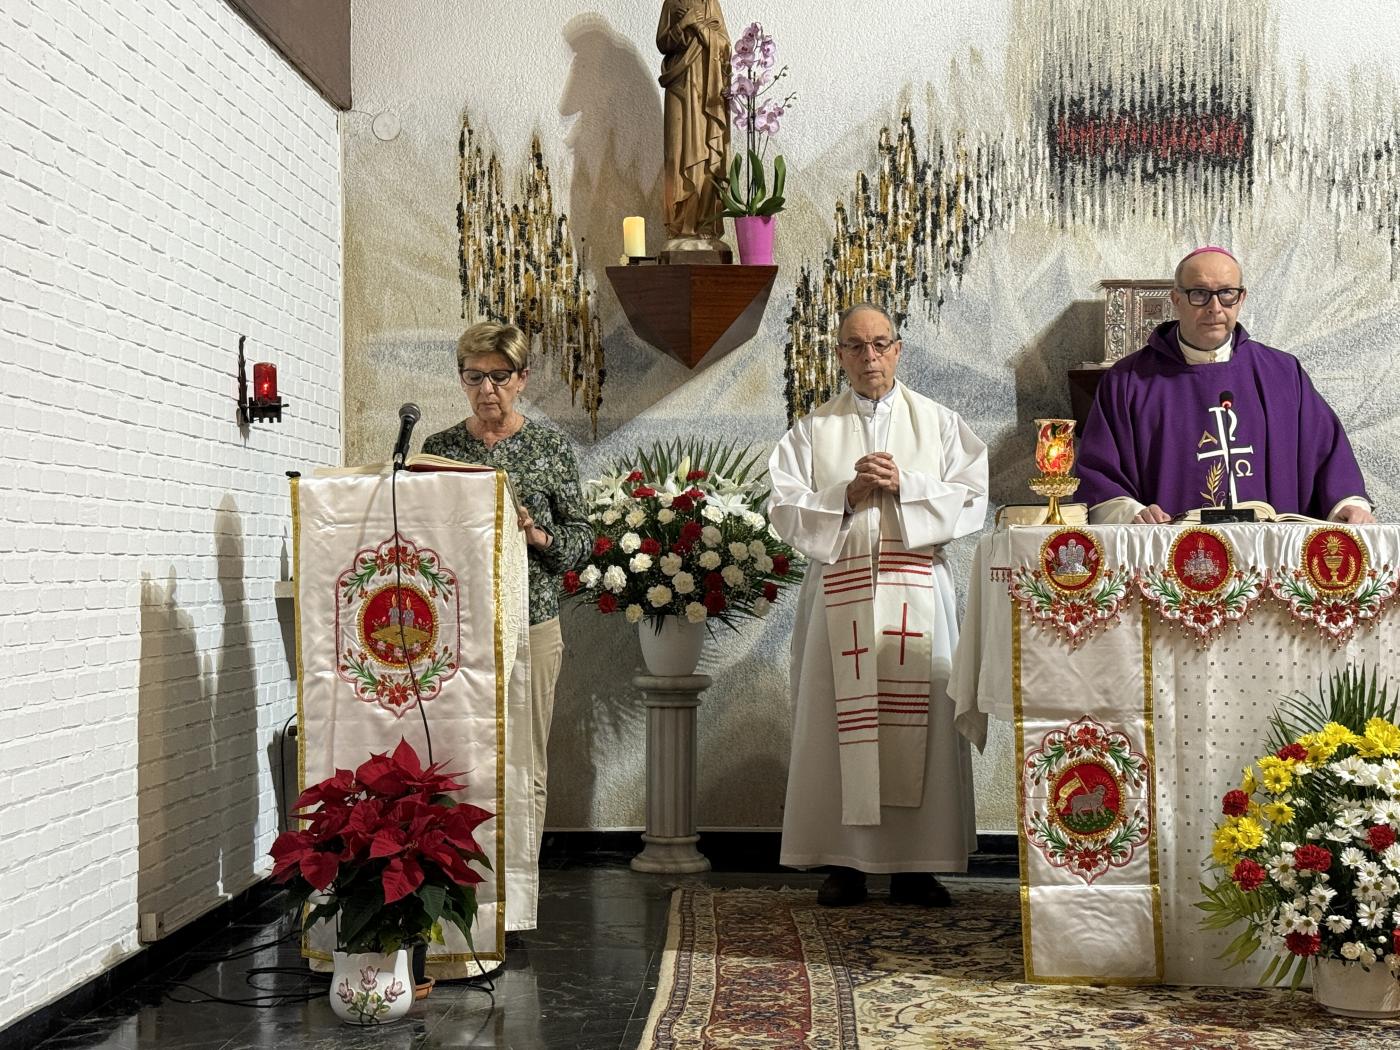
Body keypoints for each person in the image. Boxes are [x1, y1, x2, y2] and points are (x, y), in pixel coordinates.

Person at [767, 303, 989, 907]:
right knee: (835, 723)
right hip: (840, 597)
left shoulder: (940, 423)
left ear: (898, 350)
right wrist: (846, 494)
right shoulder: (814, 429)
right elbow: (783, 507)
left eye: (880, 344)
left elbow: (973, 498)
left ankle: (918, 865)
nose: (870, 357)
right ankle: (845, 863)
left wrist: (905, 486)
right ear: (839, 354)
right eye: (856, 346)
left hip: (917, 595)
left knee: (927, 721)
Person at [422, 322, 592, 859]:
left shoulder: (548, 447)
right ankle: (462, 883)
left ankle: (516, 889)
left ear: (522, 379)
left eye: (499, 376)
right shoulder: (440, 449)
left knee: (523, 762)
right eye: (474, 376)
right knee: (455, 759)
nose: (487, 389)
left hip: (531, 621)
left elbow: (582, 540)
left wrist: (538, 536)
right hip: (456, 628)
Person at [1078, 246, 1375, 524]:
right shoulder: (1128, 382)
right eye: (1199, 293)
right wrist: (1133, 513)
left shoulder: (1283, 374)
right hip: (1170, 554)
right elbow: (1101, 473)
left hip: (1269, 553)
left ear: (1241, 298)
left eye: (1227, 293)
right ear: (1176, 299)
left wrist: (1346, 504)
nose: (1215, 307)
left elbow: (1328, 454)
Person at [656, 0, 730, 242]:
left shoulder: (710, 3)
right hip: (678, 83)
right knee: (676, 154)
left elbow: (725, 47)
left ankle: (704, 222)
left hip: (706, 88)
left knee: (706, 155)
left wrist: (698, 27)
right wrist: (682, 24)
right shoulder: (671, 3)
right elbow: (663, 43)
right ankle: (679, 224)